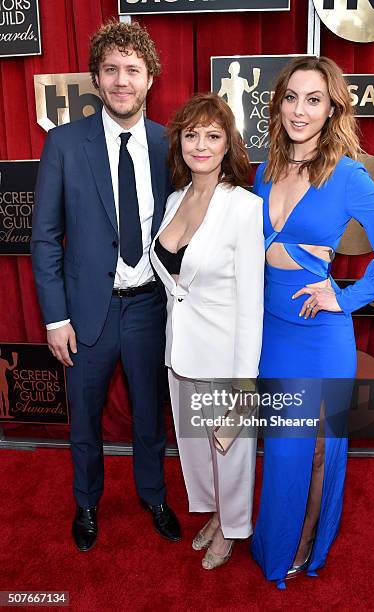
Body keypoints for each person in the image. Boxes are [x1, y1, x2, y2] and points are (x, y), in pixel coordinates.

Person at [250, 56, 374, 589]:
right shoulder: (265, 168)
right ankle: (273, 541)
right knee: (282, 446)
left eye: (314, 99)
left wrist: (345, 298)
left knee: (320, 444)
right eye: (292, 97)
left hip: (319, 335)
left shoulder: (346, 174)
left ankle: (305, 543)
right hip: (270, 329)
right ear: (277, 105)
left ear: (332, 109)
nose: (300, 110)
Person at [31, 20, 181, 552]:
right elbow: (46, 238)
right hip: (86, 311)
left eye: (132, 71)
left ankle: (153, 495)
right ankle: (87, 503)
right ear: (96, 78)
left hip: (149, 308)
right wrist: (55, 317)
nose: (122, 81)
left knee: (149, 415)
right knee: (85, 421)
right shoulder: (65, 144)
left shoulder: (172, 144)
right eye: (112, 70)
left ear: (149, 80)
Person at [150, 92, 264, 569]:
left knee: (231, 450)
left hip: (223, 356)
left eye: (212, 136)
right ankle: (216, 513)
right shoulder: (176, 197)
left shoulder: (244, 207)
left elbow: (252, 304)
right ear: (180, 143)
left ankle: (234, 527)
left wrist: (244, 389)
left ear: (227, 145)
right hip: (180, 352)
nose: (200, 144)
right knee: (196, 448)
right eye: (192, 135)